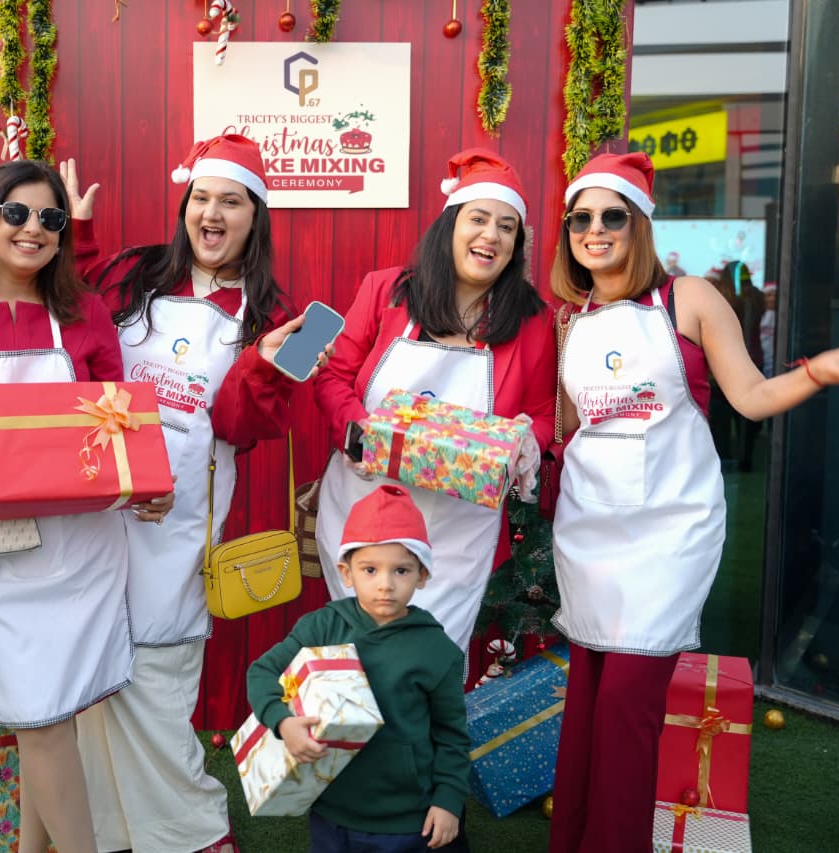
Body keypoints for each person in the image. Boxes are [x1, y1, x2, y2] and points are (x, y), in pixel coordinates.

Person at [546, 151, 839, 853]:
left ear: (639, 225)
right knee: (587, 708)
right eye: (580, 219)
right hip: (587, 529)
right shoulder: (571, 321)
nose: (595, 230)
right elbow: (570, 431)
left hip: (669, 533)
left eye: (612, 216)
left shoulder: (687, 298)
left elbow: (750, 397)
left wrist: (818, 372)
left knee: (626, 707)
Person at [73, 135, 323, 853]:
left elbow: (247, 429)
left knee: (156, 680)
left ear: (256, 216)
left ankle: (195, 831)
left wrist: (264, 365)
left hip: (181, 522)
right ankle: (105, 830)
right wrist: (79, 235)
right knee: (93, 674)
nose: (212, 214)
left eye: (231, 202)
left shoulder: (283, 315)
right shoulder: (136, 273)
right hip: (99, 504)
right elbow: (79, 321)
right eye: (202, 198)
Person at [0, 159, 138, 853]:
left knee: (51, 718)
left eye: (51, 217)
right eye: (16, 213)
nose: (33, 228)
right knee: (39, 718)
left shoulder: (86, 313)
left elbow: (119, 422)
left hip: (79, 551)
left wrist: (147, 483)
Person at [313, 148, 555, 673]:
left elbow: (541, 414)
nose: (491, 235)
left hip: (457, 533)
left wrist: (525, 440)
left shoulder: (533, 320)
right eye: (479, 219)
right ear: (450, 226)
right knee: (362, 663)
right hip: (364, 514)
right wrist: (358, 431)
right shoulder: (386, 291)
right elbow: (333, 377)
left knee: (428, 667)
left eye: (507, 227)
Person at [247, 485, 470, 852]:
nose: (385, 584)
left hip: (406, 819)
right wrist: (283, 722)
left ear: (422, 575)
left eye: (401, 570)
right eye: (370, 569)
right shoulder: (322, 626)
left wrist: (448, 800)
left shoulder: (437, 650)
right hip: (330, 806)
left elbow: (452, 735)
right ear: (346, 573)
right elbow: (261, 672)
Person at [707, 260, 766, 469]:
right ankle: (745, 459)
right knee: (748, 418)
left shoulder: (719, 299)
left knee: (720, 420)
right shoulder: (757, 297)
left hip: (720, 368)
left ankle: (723, 459)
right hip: (752, 361)